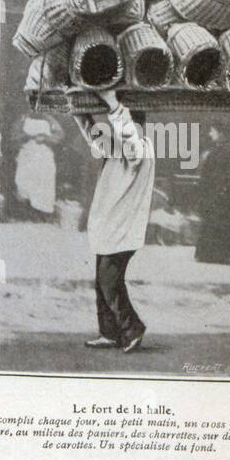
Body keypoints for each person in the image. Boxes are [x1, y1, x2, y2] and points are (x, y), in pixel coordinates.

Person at [76, 95, 156, 353]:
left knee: (109, 281)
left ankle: (133, 327)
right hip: (110, 228)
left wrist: (113, 104)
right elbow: (96, 140)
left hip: (122, 228)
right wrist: (80, 114)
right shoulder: (120, 147)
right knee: (102, 281)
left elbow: (129, 137)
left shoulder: (139, 148)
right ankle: (109, 332)